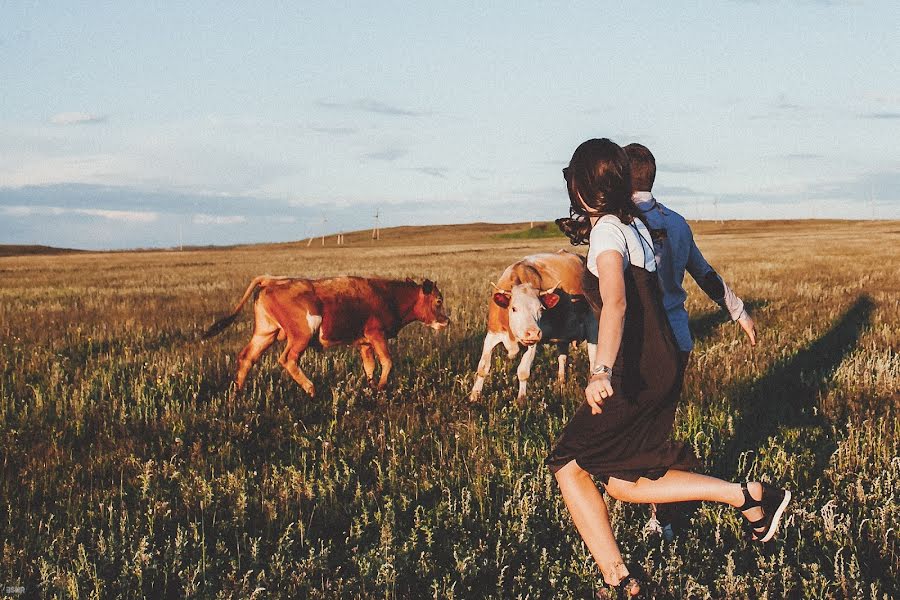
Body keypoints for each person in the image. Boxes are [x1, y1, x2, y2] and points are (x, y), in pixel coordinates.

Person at [550, 139, 790, 599]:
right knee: (622, 480)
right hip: (665, 355)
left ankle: (619, 580)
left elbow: (618, 302)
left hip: (634, 362)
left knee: (568, 462)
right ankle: (747, 495)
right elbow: (684, 280)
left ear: (583, 189)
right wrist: (737, 311)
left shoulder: (609, 232)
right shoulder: (646, 226)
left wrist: (600, 369)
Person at [623, 142, 758, 540]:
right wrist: (739, 312)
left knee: (642, 436)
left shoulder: (621, 224)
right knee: (655, 429)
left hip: (644, 343)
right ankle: (664, 509)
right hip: (679, 339)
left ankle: (663, 514)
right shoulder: (677, 222)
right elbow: (704, 273)